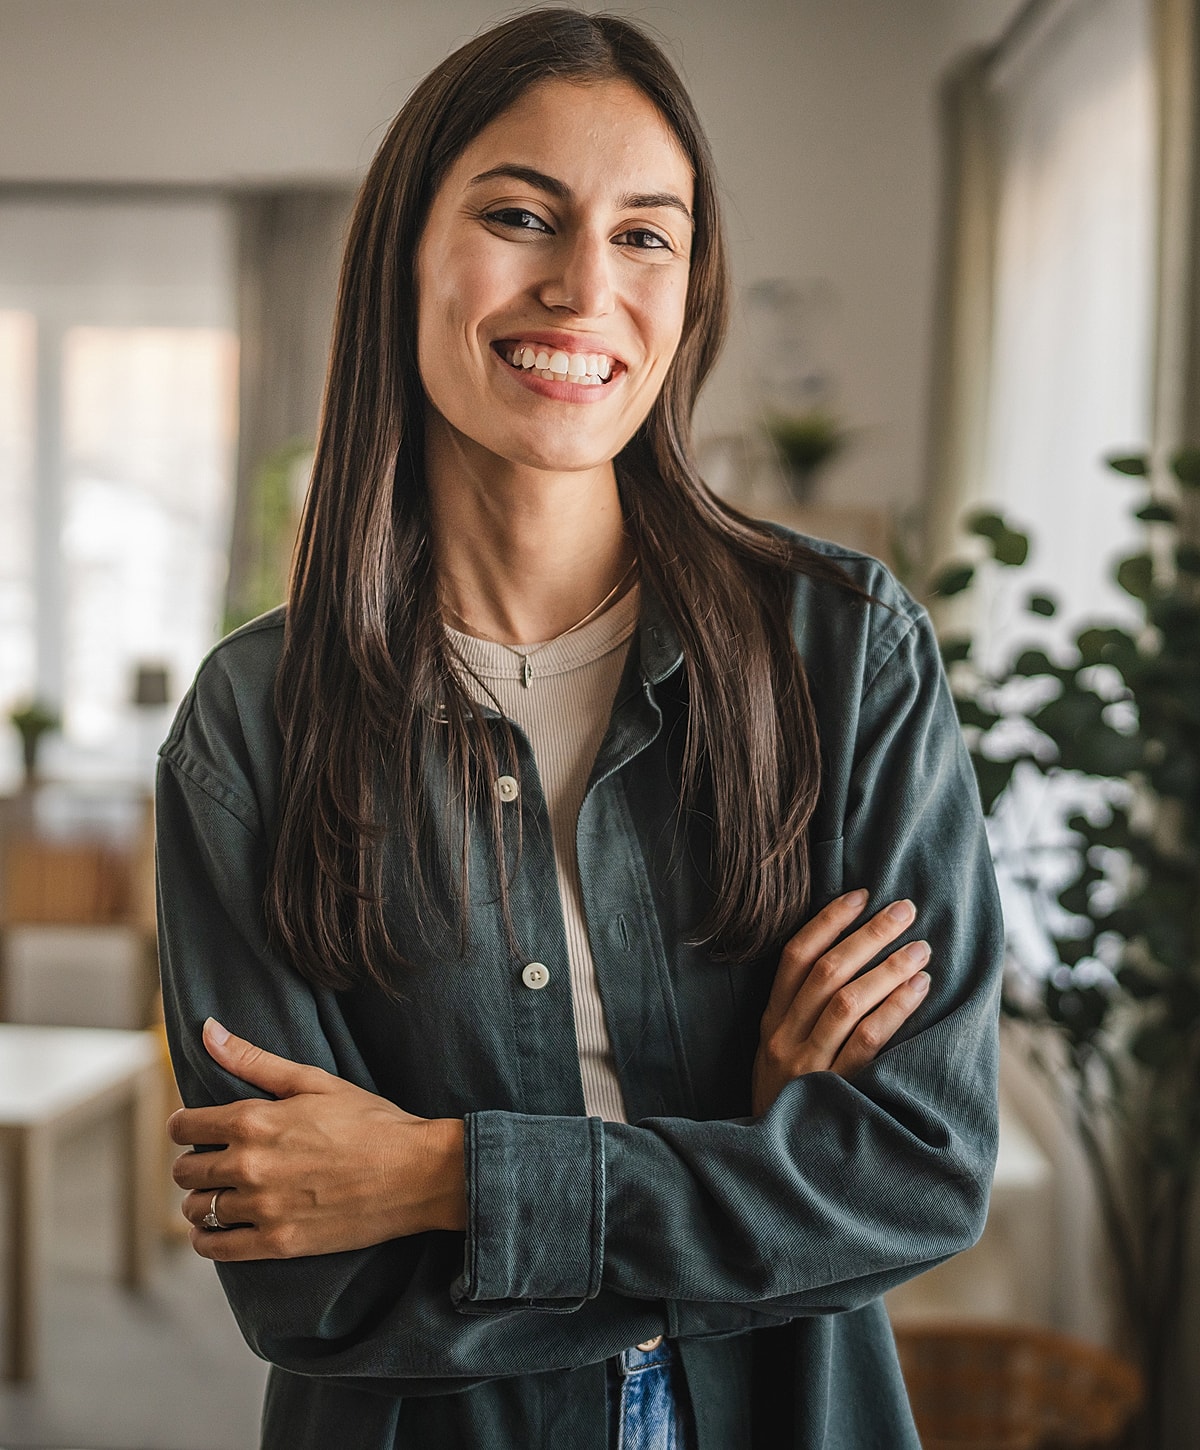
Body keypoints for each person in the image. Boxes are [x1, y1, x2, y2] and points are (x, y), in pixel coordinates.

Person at [156, 10, 1004, 1449]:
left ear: (691, 289)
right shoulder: (253, 725)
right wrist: (747, 1170)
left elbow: (916, 1171)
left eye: (645, 236)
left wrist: (441, 1175)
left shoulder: (846, 653)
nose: (581, 286)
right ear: (404, 255)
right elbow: (307, 1279)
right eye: (518, 214)